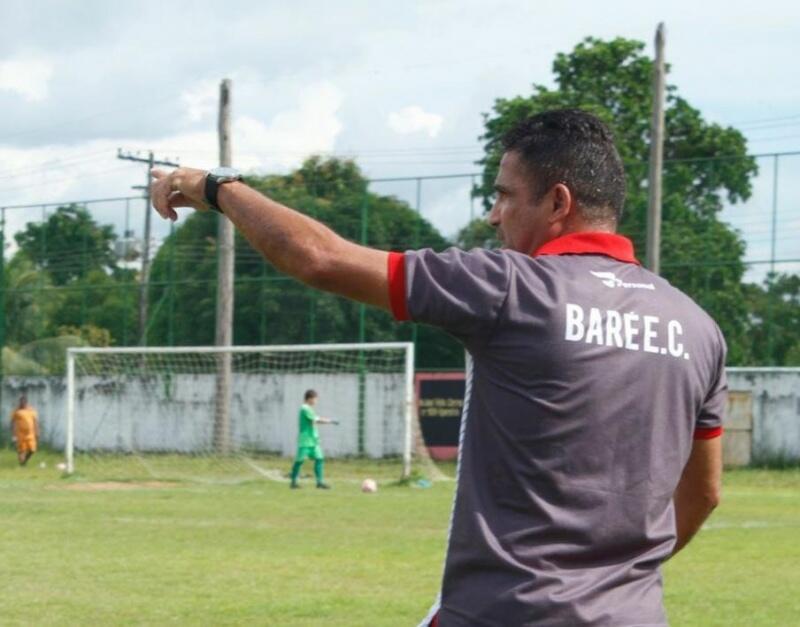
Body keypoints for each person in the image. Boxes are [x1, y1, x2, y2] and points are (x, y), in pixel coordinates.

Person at [151, 109, 724, 626]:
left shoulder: (509, 287)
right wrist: (605, 586)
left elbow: (320, 258)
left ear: (557, 202)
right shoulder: (698, 328)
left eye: (505, 196)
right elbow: (704, 494)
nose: (494, 216)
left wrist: (216, 187)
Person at [290, 389, 335, 489]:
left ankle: (319, 482)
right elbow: (316, 419)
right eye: (315, 399)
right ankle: (293, 482)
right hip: (305, 440)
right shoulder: (305, 408)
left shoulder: (309, 409)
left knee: (319, 459)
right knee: (299, 461)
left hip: (313, 441)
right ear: (309, 398)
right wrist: (329, 421)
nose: (316, 401)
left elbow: (315, 420)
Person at [11, 395, 39, 466]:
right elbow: (13, 423)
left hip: (30, 434)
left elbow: (35, 422)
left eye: (23, 402)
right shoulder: (17, 411)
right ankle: (22, 464)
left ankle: (24, 461)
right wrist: (14, 435)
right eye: (21, 402)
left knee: (32, 450)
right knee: (21, 450)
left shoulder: (32, 410)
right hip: (20, 434)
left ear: (26, 402)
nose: (22, 403)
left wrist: (37, 432)